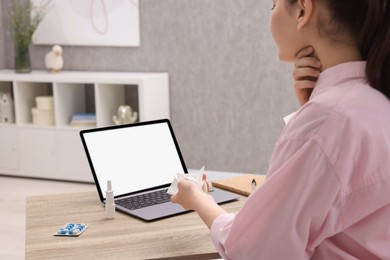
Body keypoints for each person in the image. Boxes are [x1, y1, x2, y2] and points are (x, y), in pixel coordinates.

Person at [171, 0, 390, 258]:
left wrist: (198, 199)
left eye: (273, 5)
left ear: (302, 10)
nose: (270, 17)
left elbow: (253, 251)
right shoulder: (372, 100)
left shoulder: (329, 119)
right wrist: (310, 104)